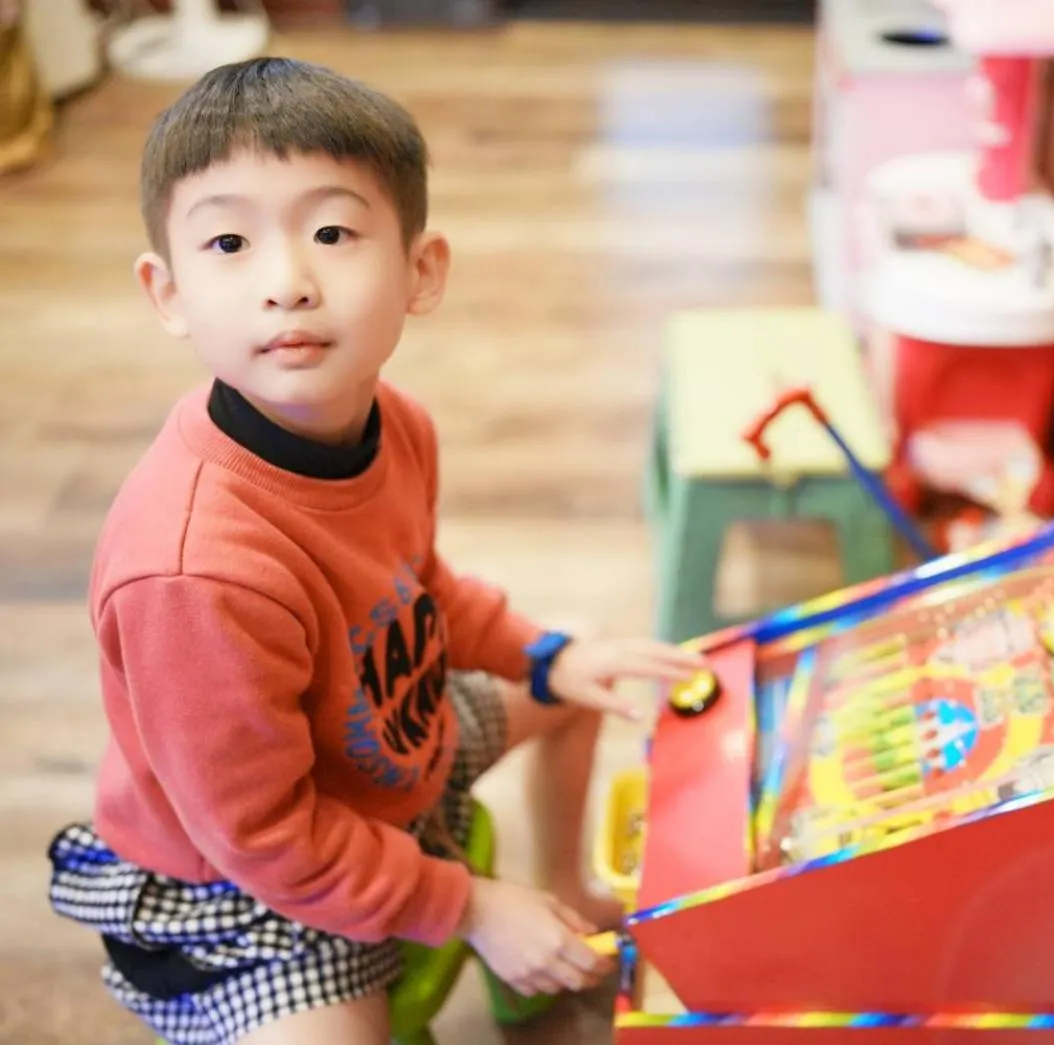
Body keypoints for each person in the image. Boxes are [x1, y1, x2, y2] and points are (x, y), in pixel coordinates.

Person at [45, 56, 705, 1045]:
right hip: (248, 884)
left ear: (420, 270)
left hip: (390, 742)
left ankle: (564, 899)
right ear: (168, 291)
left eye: (332, 232)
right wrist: (471, 906)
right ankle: (500, 923)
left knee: (574, 669)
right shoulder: (192, 569)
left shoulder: (396, 424)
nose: (287, 283)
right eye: (229, 241)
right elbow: (267, 838)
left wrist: (545, 655)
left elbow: (421, 592)